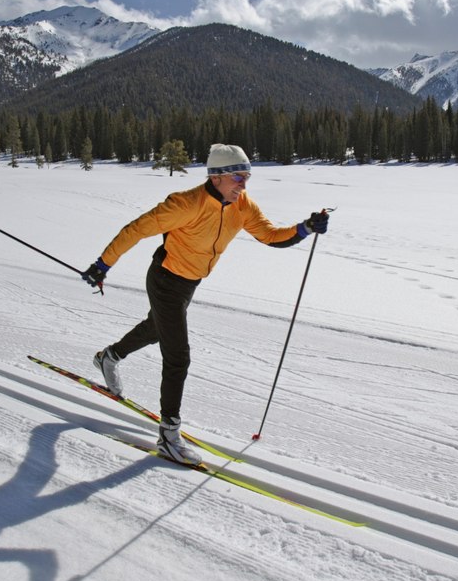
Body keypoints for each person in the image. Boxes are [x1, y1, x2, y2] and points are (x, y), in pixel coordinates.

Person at [80, 144, 329, 465]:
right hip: (165, 280)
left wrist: (305, 228)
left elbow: (269, 235)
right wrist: (103, 264)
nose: (244, 184)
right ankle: (169, 436)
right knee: (178, 357)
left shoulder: (243, 206)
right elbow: (137, 229)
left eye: (247, 176)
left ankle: (108, 357)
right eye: (238, 176)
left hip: (190, 283)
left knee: (156, 329)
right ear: (218, 177)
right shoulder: (186, 203)